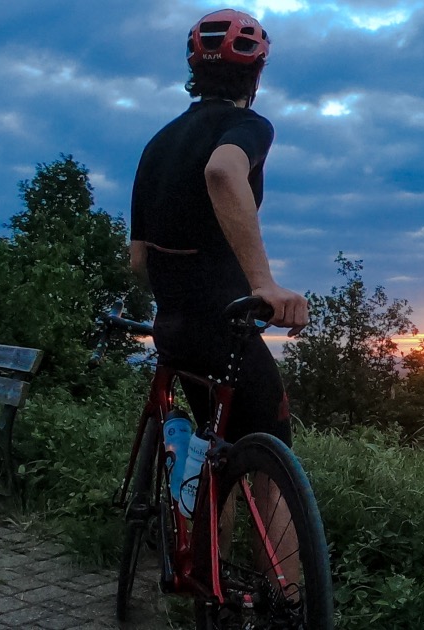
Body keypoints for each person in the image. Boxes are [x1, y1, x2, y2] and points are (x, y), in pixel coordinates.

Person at [129, 8, 307, 446]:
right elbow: (223, 172)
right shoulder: (249, 125)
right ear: (257, 73)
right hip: (222, 326)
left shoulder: (160, 141)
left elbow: (137, 260)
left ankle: (199, 514)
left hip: (172, 328)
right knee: (273, 442)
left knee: (216, 447)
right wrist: (262, 283)